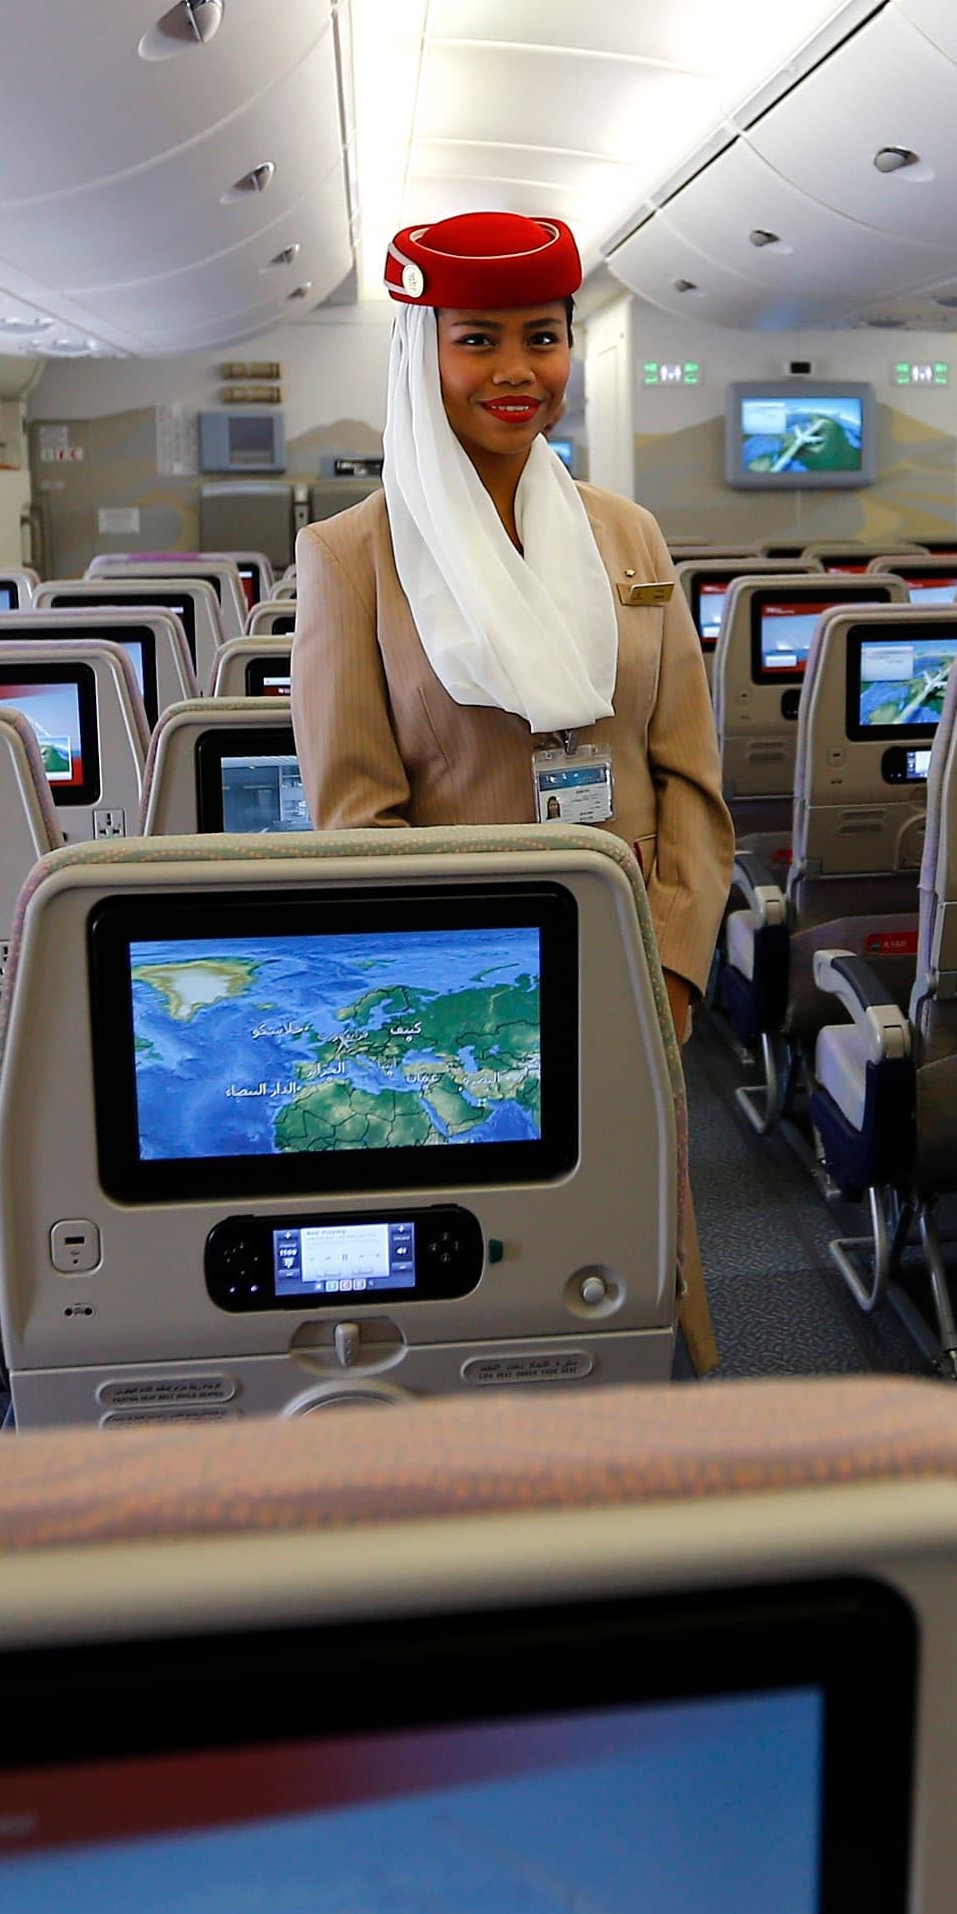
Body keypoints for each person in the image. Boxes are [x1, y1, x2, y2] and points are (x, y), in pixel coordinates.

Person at [292, 210, 735, 1367]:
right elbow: (356, 823)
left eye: (541, 339)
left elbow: (686, 771)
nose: (515, 373)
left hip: (635, 972)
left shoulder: (625, 535)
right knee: (493, 1282)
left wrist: (678, 967)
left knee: (635, 1267)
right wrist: (462, 1018)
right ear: (418, 354)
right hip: (466, 1005)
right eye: (476, 341)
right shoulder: (353, 556)